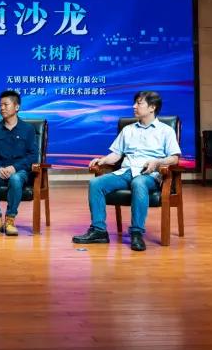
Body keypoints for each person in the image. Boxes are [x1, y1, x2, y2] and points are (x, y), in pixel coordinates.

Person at [72, 90, 181, 251]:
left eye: (139, 103)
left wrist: (158, 162)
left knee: (139, 183)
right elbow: (116, 154)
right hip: (126, 172)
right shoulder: (128, 130)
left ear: (152, 107)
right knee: (96, 183)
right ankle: (99, 231)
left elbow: (174, 158)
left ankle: (136, 233)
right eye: (134, 103)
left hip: (149, 174)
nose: (134, 106)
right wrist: (102, 160)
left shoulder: (166, 131)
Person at [0, 90, 39, 236]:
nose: (2, 108)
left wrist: (14, 168)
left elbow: (33, 156)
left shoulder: (28, 129)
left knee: (16, 179)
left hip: (20, 171)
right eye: (0, 105)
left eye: (6, 105)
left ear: (16, 107)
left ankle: (10, 220)